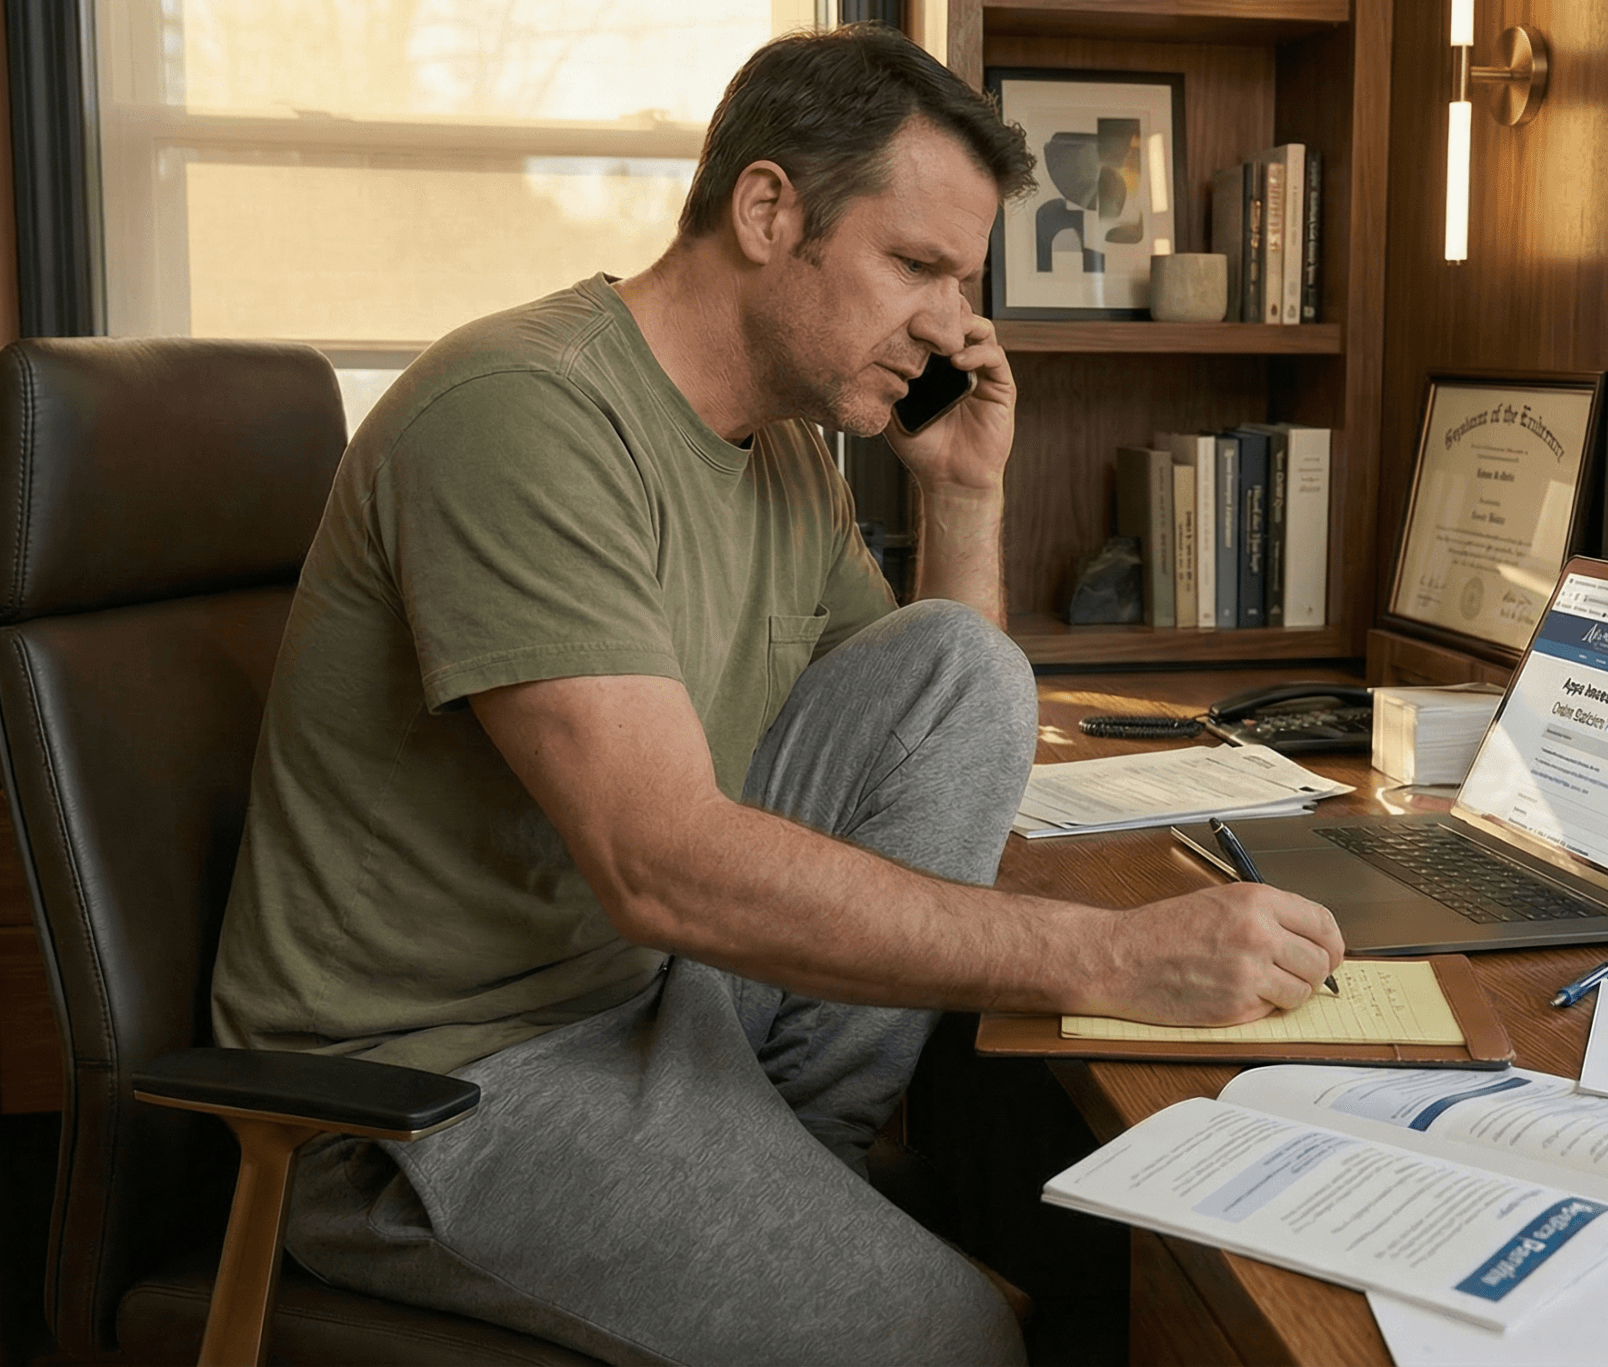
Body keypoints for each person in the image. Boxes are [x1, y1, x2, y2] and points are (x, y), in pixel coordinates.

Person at [210, 23, 1344, 1366]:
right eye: (914, 264)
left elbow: (941, 746)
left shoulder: (791, 455)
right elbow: (661, 864)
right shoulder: (523, 414)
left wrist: (964, 494)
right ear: (766, 211)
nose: (950, 323)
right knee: (958, 1339)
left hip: (648, 1000)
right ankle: (808, 1232)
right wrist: (1117, 956)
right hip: (436, 1089)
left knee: (962, 667)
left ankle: (800, 1175)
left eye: (962, 281)